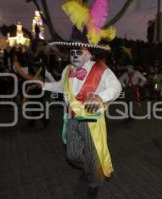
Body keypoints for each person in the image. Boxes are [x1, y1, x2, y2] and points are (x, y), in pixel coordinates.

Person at [42, 28, 122, 198]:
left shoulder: (100, 69)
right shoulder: (68, 70)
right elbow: (60, 87)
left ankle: (94, 182)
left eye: (79, 51)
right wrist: (43, 85)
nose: (75, 55)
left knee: (93, 156)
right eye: (72, 52)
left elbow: (116, 87)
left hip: (91, 121)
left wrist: (100, 97)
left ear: (88, 53)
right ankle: (87, 171)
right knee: (72, 155)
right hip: (72, 119)